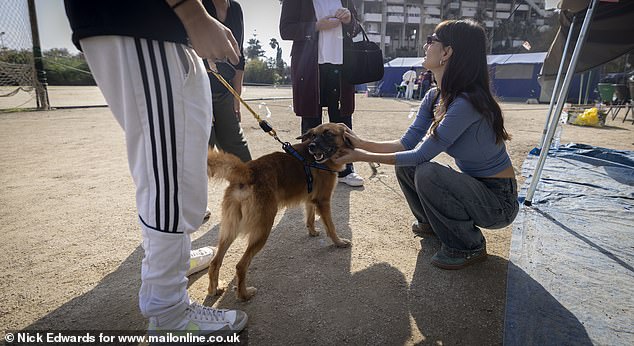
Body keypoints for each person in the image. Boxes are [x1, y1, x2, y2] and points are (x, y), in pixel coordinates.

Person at [64, 0, 247, 333]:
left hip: (163, 27)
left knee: (183, 161)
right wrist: (192, 12)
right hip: (139, 22)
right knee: (169, 173)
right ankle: (168, 312)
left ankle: (174, 261)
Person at [333, 19, 519, 270]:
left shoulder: (467, 103)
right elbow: (406, 143)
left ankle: (467, 245)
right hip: (476, 189)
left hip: (499, 202)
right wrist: (361, 143)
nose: (425, 45)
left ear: (447, 52)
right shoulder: (434, 96)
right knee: (407, 165)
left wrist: (359, 155)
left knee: (427, 171)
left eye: (431, 40)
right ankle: (432, 224)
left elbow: (421, 155)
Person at [279, 0, 365, 187]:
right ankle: (306, 169)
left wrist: (350, 19)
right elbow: (285, 30)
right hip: (309, 65)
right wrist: (316, 26)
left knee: (343, 118)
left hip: (342, 67)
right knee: (310, 120)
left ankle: (346, 168)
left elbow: (356, 29)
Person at [203, 0, 252, 163]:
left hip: (225, 92)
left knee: (241, 156)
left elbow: (239, 59)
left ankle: (249, 188)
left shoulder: (236, 9)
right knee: (203, 151)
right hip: (197, 90)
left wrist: (236, 99)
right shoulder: (197, 5)